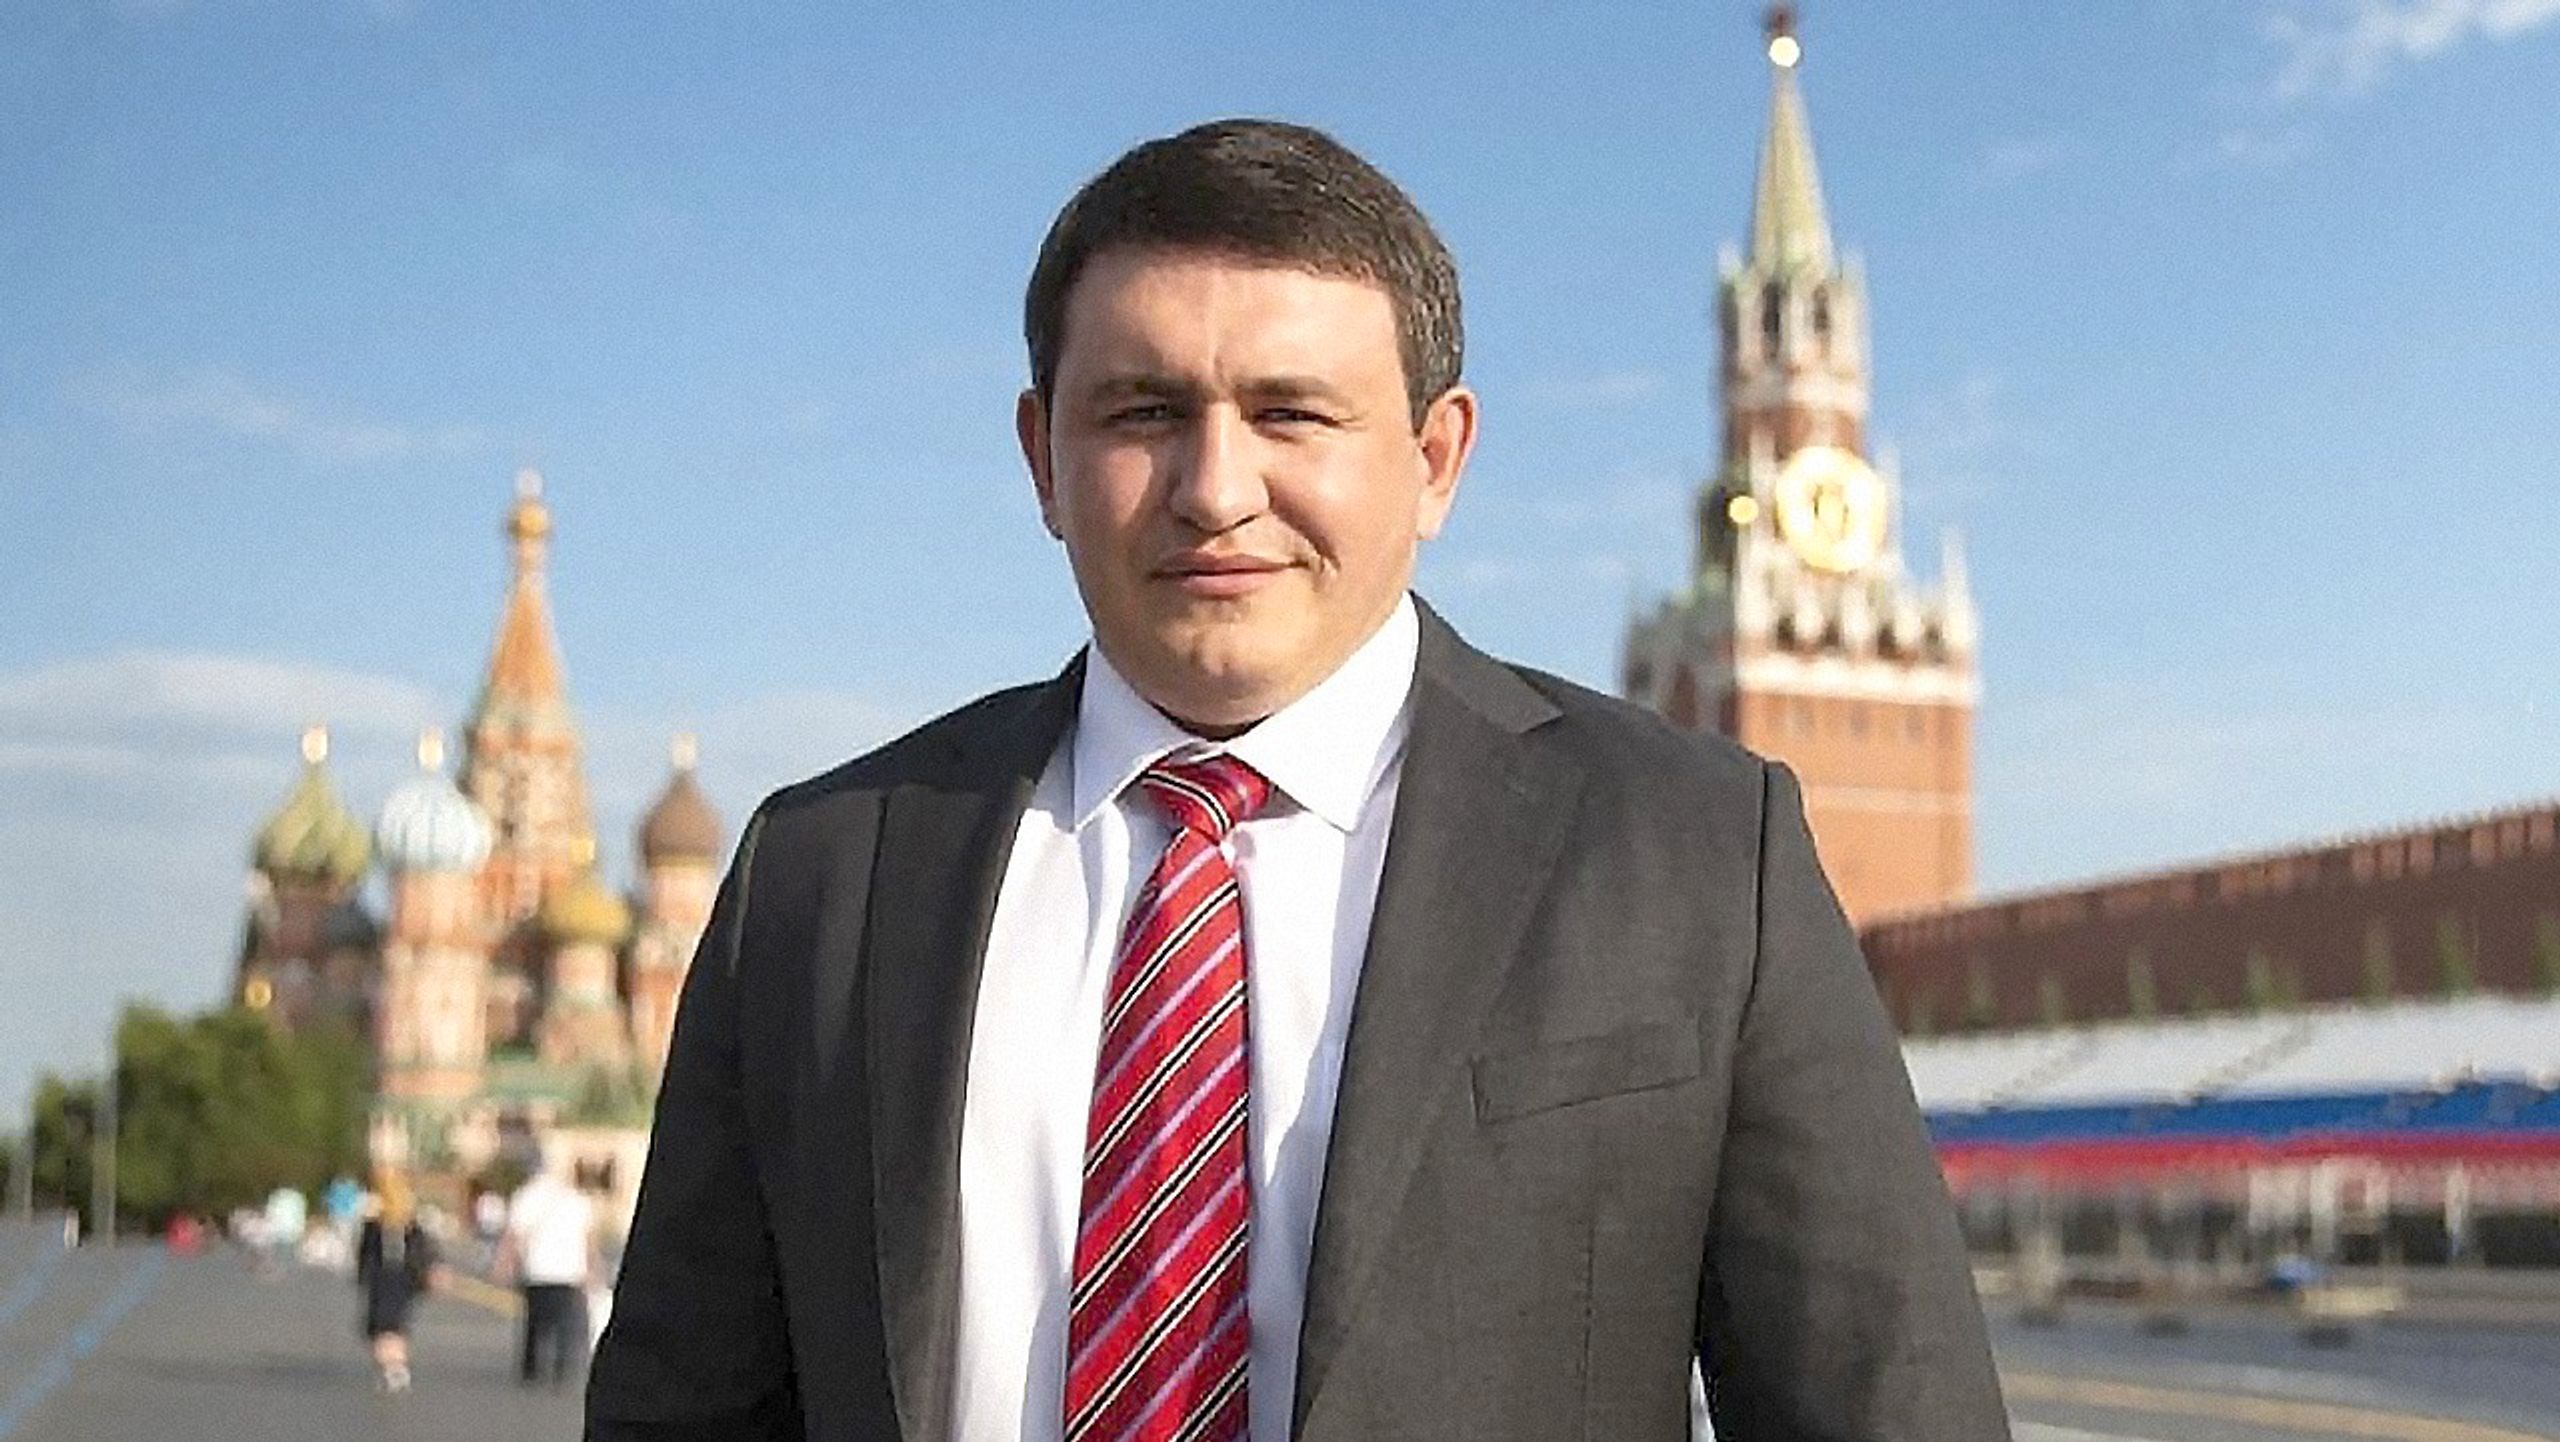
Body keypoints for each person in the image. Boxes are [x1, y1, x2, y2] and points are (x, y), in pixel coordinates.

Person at [589, 119, 2008, 1441]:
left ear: (1435, 460)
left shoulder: (1692, 857)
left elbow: (1887, 1406)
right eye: (1143, 410)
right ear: (1042, 458)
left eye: (1292, 413)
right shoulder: (827, 874)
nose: (1216, 487)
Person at [501, 1147, 597, 1388]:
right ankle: (561, 1368)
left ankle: (531, 1368)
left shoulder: (525, 1196)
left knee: (535, 1320)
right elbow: (588, 1239)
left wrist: (505, 1263)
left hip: (537, 1268)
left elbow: (515, 1235)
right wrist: (592, 1269)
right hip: (569, 1270)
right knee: (565, 1322)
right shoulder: (576, 1199)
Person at [354, 1168, 438, 1393]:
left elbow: (365, 1253)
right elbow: (424, 1249)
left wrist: (362, 1276)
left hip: (383, 1277)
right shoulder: (411, 1221)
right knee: (396, 1324)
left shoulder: (374, 1221)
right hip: (405, 1277)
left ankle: (391, 1367)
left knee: (381, 1327)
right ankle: (397, 1365)